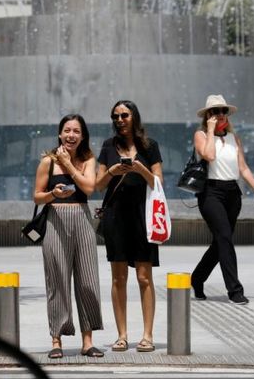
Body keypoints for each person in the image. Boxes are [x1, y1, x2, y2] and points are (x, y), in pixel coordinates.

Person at [33, 114, 104, 359]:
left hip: (82, 220)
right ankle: (56, 340)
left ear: (83, 136)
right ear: (59, 134)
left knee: (88, 280)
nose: (71, 135)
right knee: (58, 281)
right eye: (67, 130)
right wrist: (53, 194)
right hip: (55, 220)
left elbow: (88, 188)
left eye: (76, 131)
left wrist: (69, 164)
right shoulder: (47, 162)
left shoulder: (88, 160)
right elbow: (36, 196)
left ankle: (88, 341)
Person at [95, 100, 163, 353]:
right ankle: (122, 334)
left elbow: (159, 183)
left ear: (134, 116)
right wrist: (112, 170)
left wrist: (141, 169)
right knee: (118, 278)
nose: (120, 120)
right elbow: (97, 185)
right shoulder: (108, 146)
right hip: (115, 216)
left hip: (143, 215)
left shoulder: (149, 145)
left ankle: (147, 335)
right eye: (115, 116)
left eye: (124, 115)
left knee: (144, 277)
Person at [190, 94, 254, 305]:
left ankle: (197, 278)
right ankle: (235, 290)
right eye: (215, 112)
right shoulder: (201, 135)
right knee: (224, 238)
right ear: (208, 116)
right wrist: (211, 130)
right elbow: (210, 156)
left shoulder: (235, 138)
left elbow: (243, 168)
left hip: (233, 193)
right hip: (211, 193)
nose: (221, 115)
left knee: (219, 242)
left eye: (223, 111)